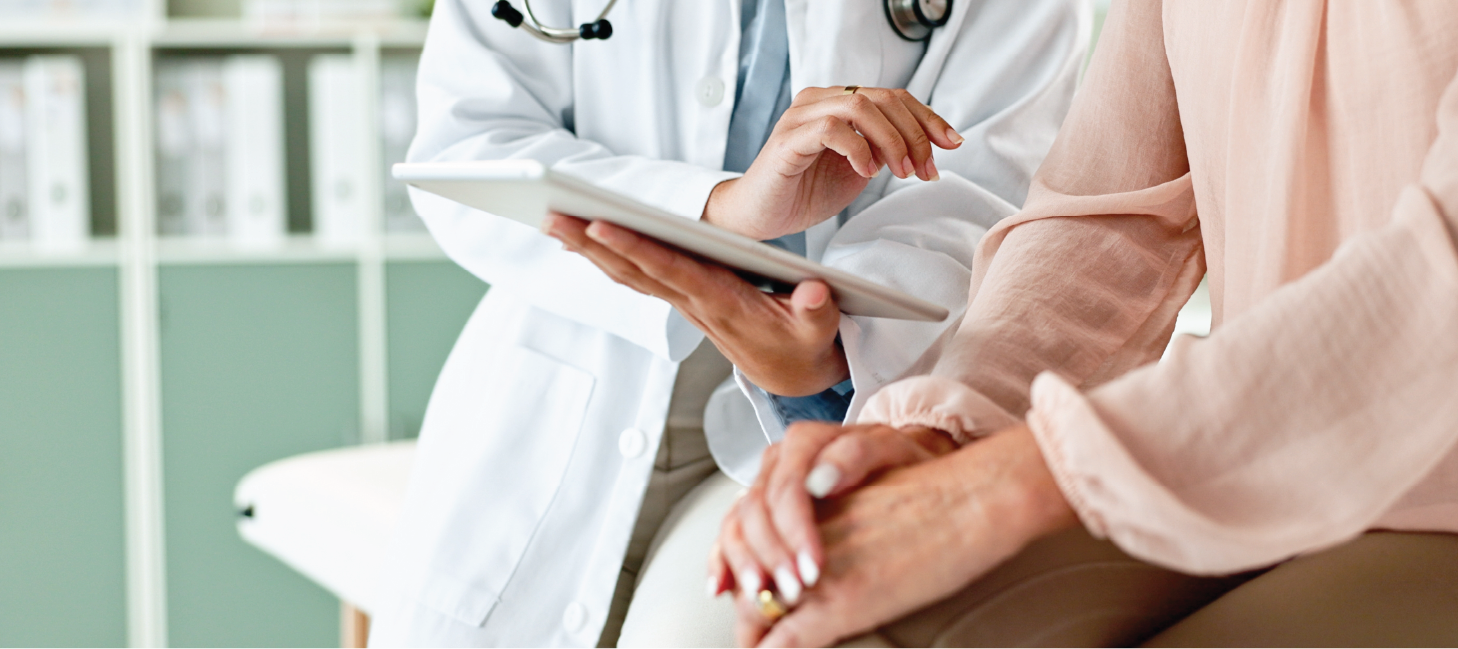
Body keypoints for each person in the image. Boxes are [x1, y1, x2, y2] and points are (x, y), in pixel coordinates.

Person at [709, 1, 1458, 647]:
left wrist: (1004, 485)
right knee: (851, 627)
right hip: (1259, 463)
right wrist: (934, 431)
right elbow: (1111, 217)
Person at [368, 0, 1092, 646]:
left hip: (830, 413)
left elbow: (978, 203)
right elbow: (464, 149)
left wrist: (829, 356)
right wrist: (719, 209)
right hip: (560, 391)